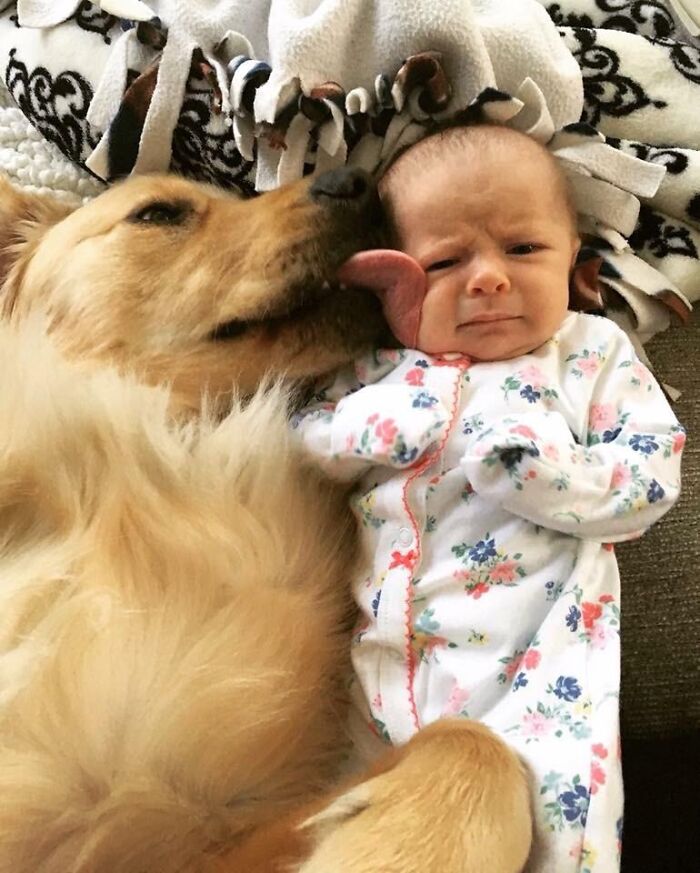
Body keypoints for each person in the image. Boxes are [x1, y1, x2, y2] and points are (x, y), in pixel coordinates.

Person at [293, 124, 685, 871]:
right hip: (373, 669)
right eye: (445, 260)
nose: (489, 278)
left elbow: (650, 473)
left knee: (558, 828)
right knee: (341, 826)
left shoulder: (589, 354)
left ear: (575, 260)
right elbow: (294, 440)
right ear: (392, 280)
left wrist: (548, 478)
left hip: (542, 670)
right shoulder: (378, 369)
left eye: (524, 249)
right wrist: (368, 427)